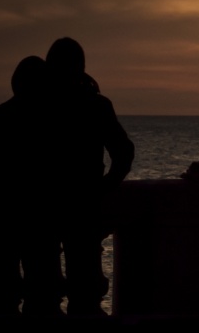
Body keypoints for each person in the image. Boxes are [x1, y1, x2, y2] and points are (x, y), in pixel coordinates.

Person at [43, 37, 135, 315]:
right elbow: (124, 152)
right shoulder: (96, 105)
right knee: (85, 290)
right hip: (84, 204)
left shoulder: (39, 105)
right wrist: (105, 186)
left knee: (44, 289)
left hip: (45, 202)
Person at [0, 56, 51, 315]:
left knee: (2, 293)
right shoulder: (48, 121)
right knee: (41, 295)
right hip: (39, 218)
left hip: (4, 217)